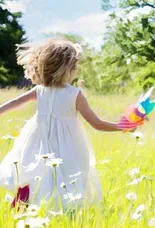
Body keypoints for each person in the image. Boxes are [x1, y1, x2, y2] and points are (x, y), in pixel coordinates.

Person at [0, 39, 122, 209]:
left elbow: (15, 102)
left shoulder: (40, 90)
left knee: (34, 171)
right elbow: (97, 123)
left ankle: (25, 207)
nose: (76, 70)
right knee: (65, 177)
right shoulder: (74, 94)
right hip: (66, 145)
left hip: (37, 140)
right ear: (65, 68)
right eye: (74, 66)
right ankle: (59, 211)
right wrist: (121, 126)